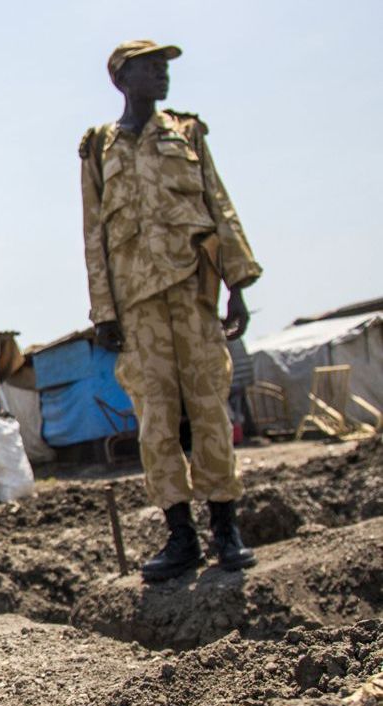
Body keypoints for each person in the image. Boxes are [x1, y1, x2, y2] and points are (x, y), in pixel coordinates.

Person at [79, 40, 261, 582]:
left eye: (164, 66)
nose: (161, 74)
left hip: (192, 292)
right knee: (155, 419)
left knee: (208, 405)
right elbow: (94, 233)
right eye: (149, 67)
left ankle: (225, 527)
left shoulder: (187, 133)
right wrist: (103, 311)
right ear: (121, 78)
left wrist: (238, 284)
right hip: (136, 305)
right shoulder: (98, 148)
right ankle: (180, 535)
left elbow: (218, 206)